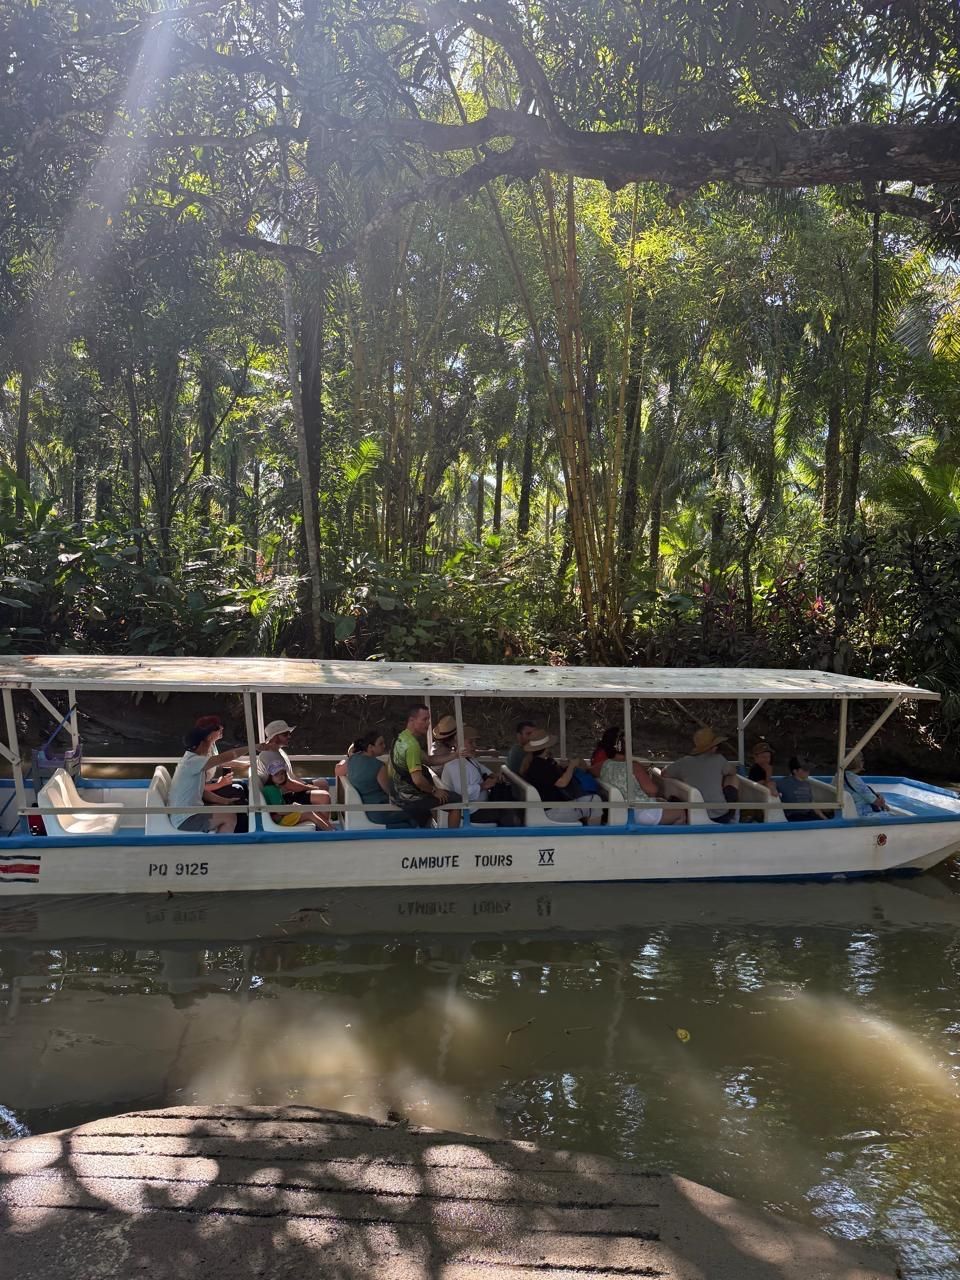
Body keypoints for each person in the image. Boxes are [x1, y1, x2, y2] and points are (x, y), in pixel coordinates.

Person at [169, 725, 257, 833]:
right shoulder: (194, 762)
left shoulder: (190, 759)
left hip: (189, 811)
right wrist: (253, 747)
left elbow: (201, 792)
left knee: (230, 808)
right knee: (230, 817)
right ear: (202, 744)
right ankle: (223, 848)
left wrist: (226, 801)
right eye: (209, 742)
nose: (210, 745)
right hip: (185, 818)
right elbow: (222, 758)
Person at [389, 704, 461, 827]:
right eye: (424, 719)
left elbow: (429, 760)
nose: (428, 723)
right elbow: (418, 781)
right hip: (408, 798)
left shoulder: (400, 738)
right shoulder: (412, 746)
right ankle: (452, 840)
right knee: (457, 800)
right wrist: (434, 791)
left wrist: (455, 755)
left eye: (428, 719)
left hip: (397, 793)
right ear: (412, 720)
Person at [440, 726, 519, 826]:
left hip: (479, 805)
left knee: (511, 805)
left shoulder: (469, 759)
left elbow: (483, 770)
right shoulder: (454, 765)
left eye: (475, 742)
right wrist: (483, 786)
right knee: (508, 814)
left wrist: (495, 776)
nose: (474, 746)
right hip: (470, 810)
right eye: (471, 742)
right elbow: (463, 793)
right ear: (458, 743)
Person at [599, 735, 684, 825]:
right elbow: (652, 790)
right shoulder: (634, 767)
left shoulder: (604, 765)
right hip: (639, 812)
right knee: (681, 812)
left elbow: (589, 769)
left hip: (619, 811)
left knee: (662, 802)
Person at [663, 727, 739, 823]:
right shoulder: (719, 759)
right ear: (713, 747)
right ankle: (736, 815)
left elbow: (664, 773)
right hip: (720, 815)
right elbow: (733, 771)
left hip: (692, 813)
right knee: (732, 777)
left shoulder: (684, 762)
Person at [523, 733, 602, 825]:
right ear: (546, 748)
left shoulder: (535, 764)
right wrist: (572, 766)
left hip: (547, 807)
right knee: (595, 800)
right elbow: (562, 783)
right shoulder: (541, 766)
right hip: (552, 811)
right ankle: (594, 834)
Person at [257, 720, 332, 814]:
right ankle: (321, 826)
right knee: (324, 797)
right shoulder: (270, 756)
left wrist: (307, 786)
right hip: (283, 796)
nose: (289, 736)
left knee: (322, 783)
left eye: (289, 733)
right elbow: (287, 784)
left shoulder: (278, 751)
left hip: (288, 789)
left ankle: (318, 818)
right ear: (275, 737)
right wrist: (310, 788)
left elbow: (290, 777)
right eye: (285, 734)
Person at [346, 731, 415, 827]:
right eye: (380, 744)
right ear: (370, 747)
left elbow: (352, 749)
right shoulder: (378, 766)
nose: (384, 746)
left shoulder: (353, 758)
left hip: (365, 808)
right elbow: (391, 793)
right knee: (417, 813)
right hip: (379, 811)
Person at [195, 713, 249, 832]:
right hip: (202, 796)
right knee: (237, 792)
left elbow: (221, 761)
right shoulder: (199, 754)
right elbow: (199, 789)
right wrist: (220, 784)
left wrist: (247, 764)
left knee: (242, 785)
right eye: (217, 727)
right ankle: (242, 830)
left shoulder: (211, 745)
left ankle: (250, 823)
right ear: (208, 733)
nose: (221, 728)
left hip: (209, 785)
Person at [262, 764, 332, 830]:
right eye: (276, 774)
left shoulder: (275, 787)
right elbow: (279, 811)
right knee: (309, 813)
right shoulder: (271, 790)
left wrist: (294, 806)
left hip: (280, 817)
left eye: (282, 773)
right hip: (280, 821)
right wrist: (294, 807)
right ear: (271, 776)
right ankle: (330, 831)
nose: (280, 776)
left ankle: (328, 828)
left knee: (308, 810)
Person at [777, 756, 828, 822]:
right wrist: (772, 788)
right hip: (793, 816)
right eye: (805, 769)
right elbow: (771, 783)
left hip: (808, 814)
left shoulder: (807, 783)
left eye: (808, 769)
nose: (808, 771)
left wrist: (824, 818)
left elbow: (812, 803)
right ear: (795, 771)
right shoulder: (785, 782)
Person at [843, 753, 890, 817]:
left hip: (845, 810)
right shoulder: (855, 779)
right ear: (856, 762)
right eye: (862, 760)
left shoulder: (839, 775)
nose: (863, 762)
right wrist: (881, 798)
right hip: (861, 814)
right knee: (890, 816)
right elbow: (877, 802)